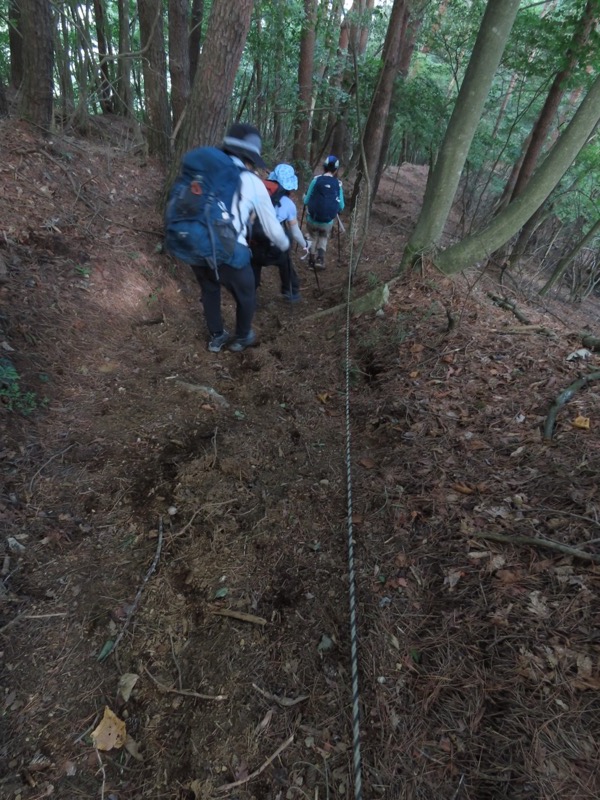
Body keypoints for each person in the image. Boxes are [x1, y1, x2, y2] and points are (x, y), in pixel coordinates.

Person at [189, 123, 290, 352]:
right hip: (229, 248)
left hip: (196, 245)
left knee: (209, 288)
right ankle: (242, 336)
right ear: (249, 158)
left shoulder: (202, 171)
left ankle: (216, 336)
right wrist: (285, 245)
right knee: (246, 291)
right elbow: (273, 228)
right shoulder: (252, 182)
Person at [250, 163, 310, 303]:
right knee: (285, 261)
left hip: (255, 245)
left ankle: (250, 295)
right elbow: (295, 232)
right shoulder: (288, 205)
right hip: (274, 249)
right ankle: (291, 291)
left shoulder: (256, 194)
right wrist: (305, 245)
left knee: (253, 265)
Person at [303, 155, 345, 270]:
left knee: (312, 236)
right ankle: (320, 260)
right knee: (323, 236)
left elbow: (306, 200)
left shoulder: (316, 180)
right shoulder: (338, 184)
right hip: (327, 221)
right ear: (336, 170)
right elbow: (341, 205)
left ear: (324, 167)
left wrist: (304, 198)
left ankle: (311, 260)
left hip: (313, 218)